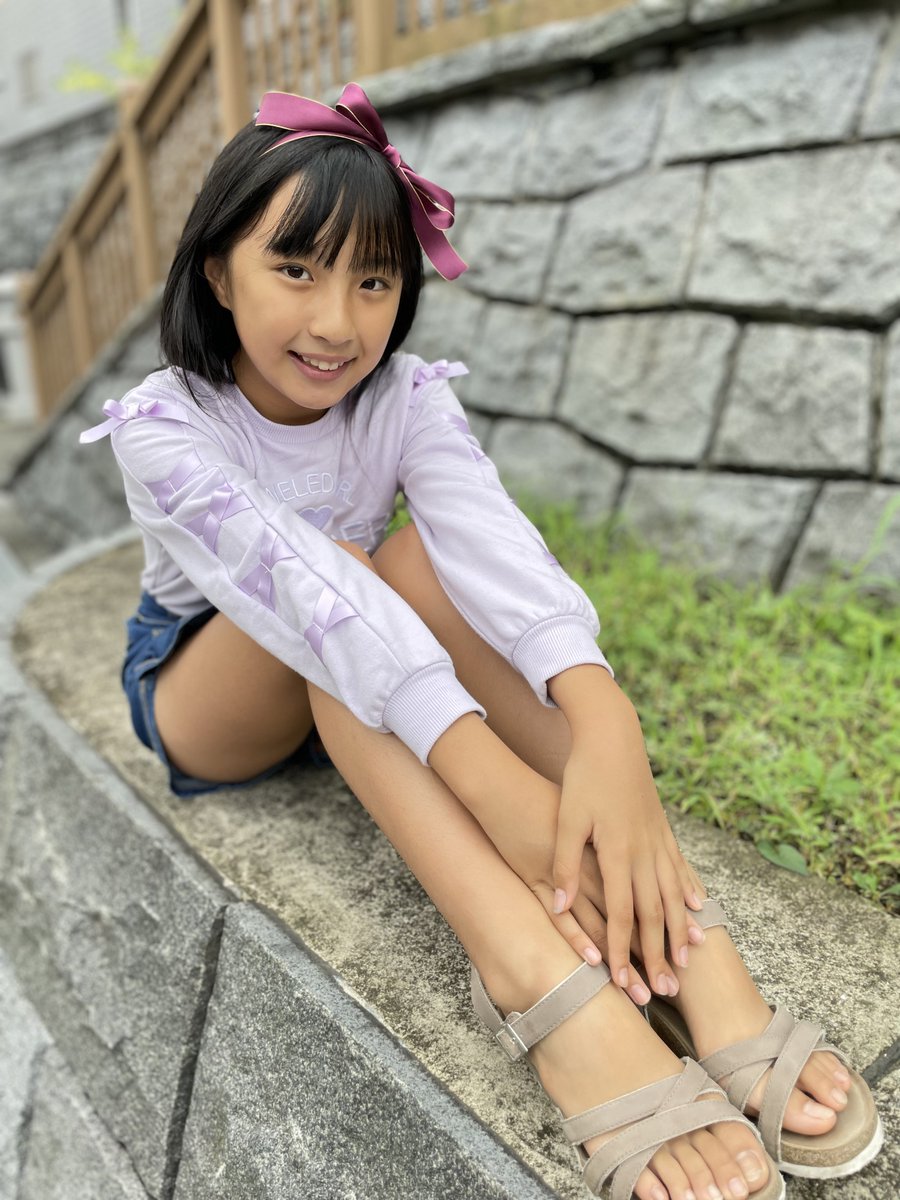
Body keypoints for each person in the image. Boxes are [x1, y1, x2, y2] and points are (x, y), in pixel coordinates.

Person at [81, 84, 881, 1200]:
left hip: (366, 665)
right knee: (343, 584)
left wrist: (605, 721)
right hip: (213, 687)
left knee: (418, 558)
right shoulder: (166, 425)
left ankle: (694, 952)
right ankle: (537, 975)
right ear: (217, 271)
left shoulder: (403, 398)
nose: (337, 322)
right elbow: (299, 588)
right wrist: (506, 799)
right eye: (296, 269)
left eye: (374, 279)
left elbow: (492, 542)